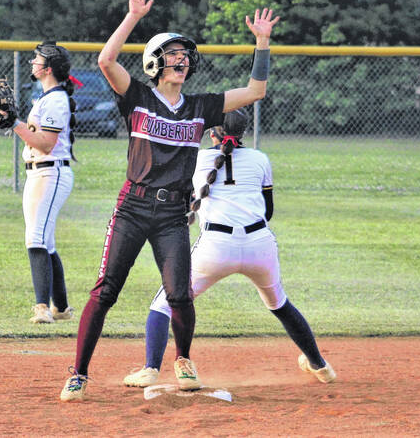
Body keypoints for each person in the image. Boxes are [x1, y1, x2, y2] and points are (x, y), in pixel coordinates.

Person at [59, 0, 279, 401]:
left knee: (179, 292)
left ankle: (183, 359)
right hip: (134, 206)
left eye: (185, 56)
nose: (182, 61)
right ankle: (79, 373)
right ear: (156, 63)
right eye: (173, 55)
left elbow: (254, 92)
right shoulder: (138, 98)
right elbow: (106, 61)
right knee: (106, 289)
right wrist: (132, 17)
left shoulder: (200, 106)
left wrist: (262, 43)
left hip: (173, 214)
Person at [122, 109, 336, 387]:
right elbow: (267, 211)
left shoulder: (196, 159)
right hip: (259, 244)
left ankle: (152, 368)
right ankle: (320, 366)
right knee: (280, 304)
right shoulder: (260, 159)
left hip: (216, 246)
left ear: (211, 132)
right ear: (243, 132)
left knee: (164, 304)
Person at [10, 41, 79, 324]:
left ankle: (42, 308)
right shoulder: (47, 97)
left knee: (35, 238)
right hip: (40, 172)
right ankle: (61, 308)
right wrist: (12, 121)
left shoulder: (55, 99)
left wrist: (14, 123)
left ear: (48, 68)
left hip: (50, 172)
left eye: (36, 60)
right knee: (45, 242)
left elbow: (47, 144)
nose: (32, 63)